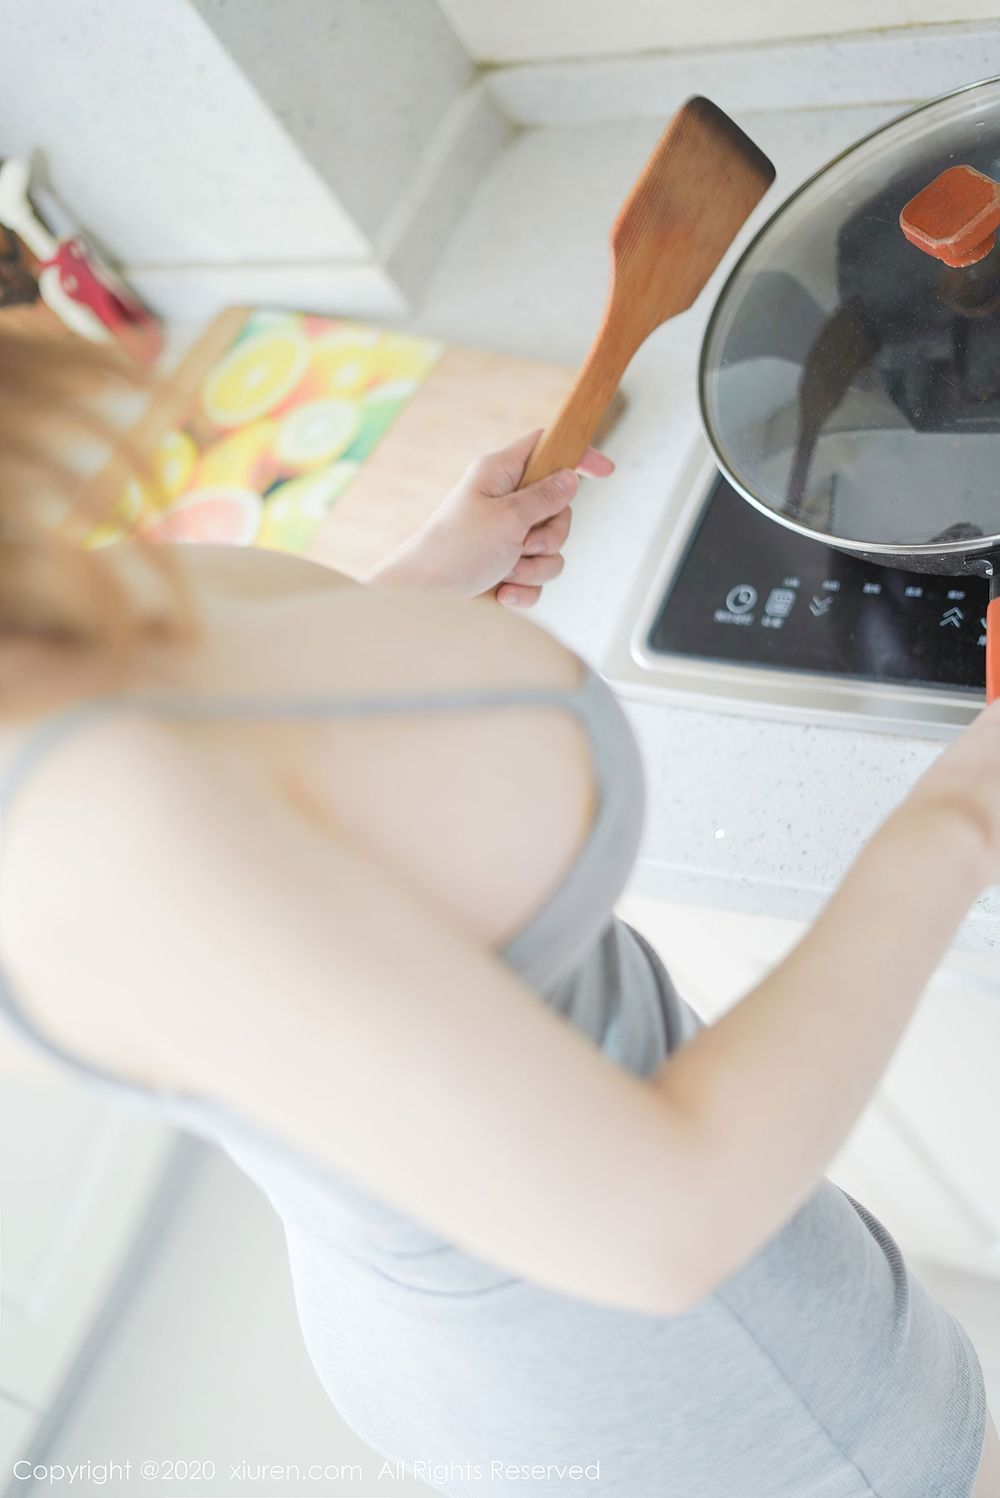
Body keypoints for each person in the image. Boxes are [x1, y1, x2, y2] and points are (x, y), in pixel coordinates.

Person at [0, 327, 997, 1498]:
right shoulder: (102, 827)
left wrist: (415, 585)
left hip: (483, 1300)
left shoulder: (41, 610)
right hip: (692, 1397)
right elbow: (665, 1219)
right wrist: (965, 808)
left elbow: (256, 778)